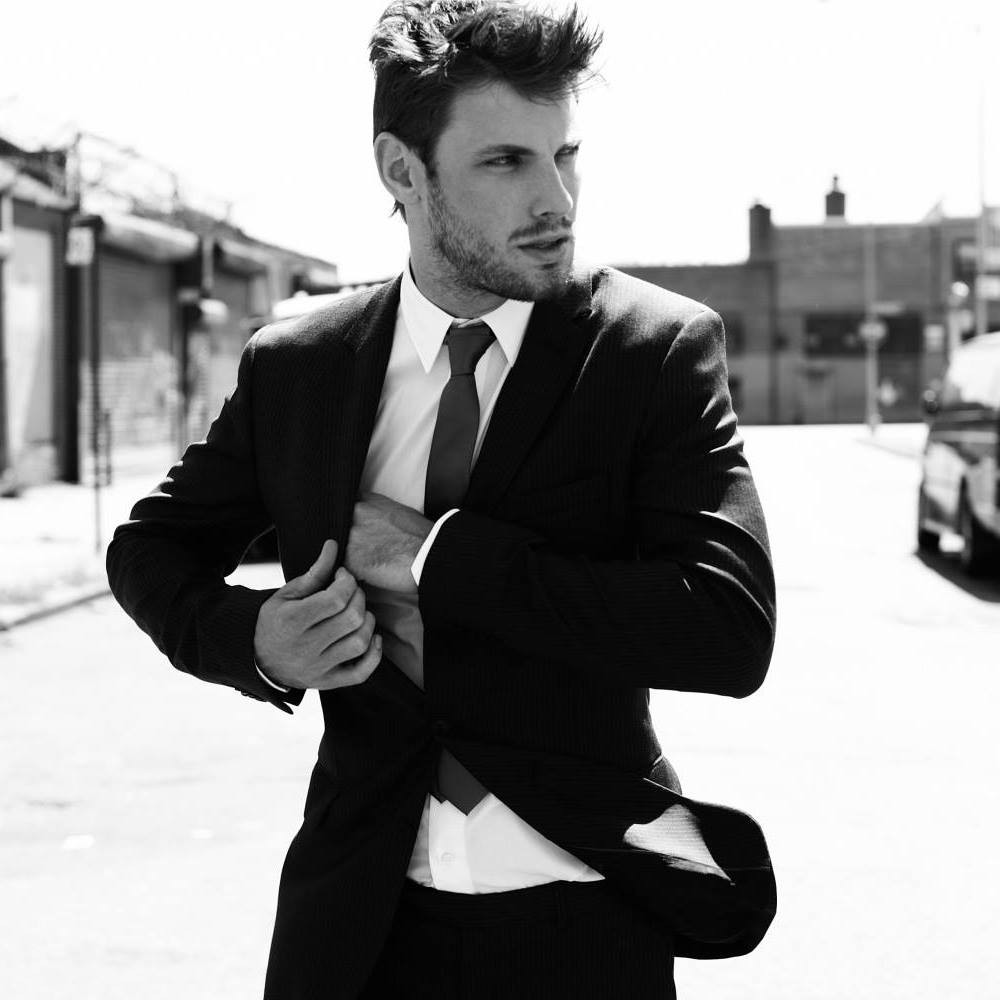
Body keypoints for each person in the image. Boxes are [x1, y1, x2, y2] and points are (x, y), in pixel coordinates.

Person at [107, 2, 777, 997]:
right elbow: (149, 548)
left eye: (565, 154)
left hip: (587, 917)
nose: (555, 198)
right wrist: (257, 639)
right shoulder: (302, 367)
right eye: (506, 162)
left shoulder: (653, 352)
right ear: (402, 170)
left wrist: (436, 557)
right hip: (362, 926)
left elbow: (726, 630)